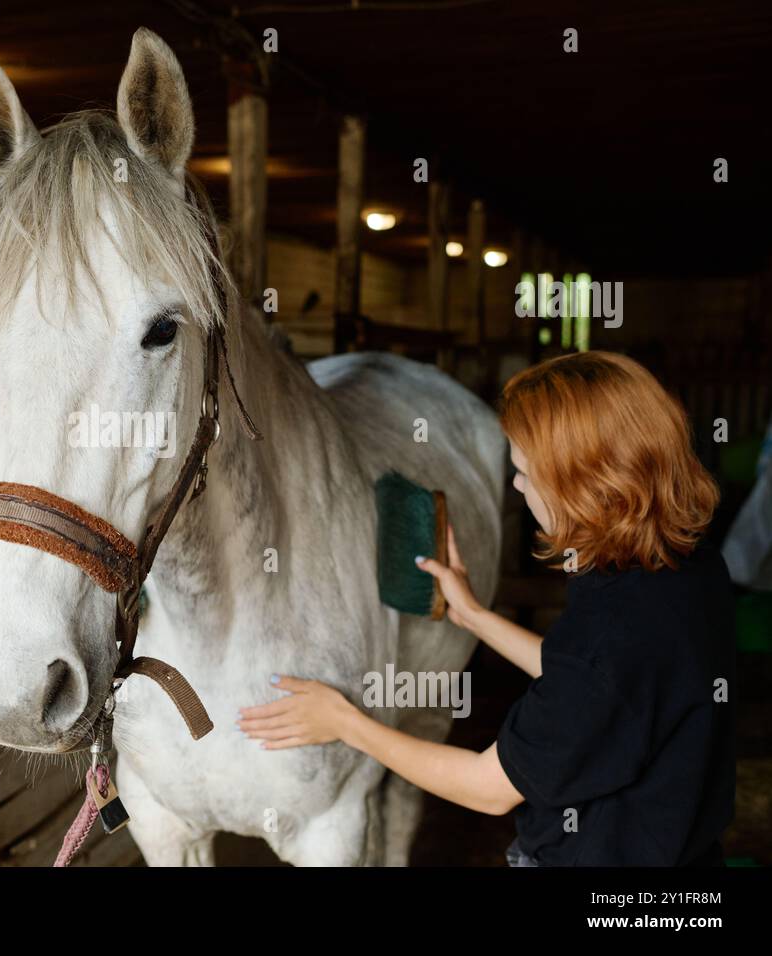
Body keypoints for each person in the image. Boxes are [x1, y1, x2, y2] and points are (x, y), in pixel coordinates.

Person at [239, 350, 736, 866]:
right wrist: (476, 617)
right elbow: (604, 686)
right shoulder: (689, 568)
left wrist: (345, 722)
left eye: (525, 470)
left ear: (583, 483)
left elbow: (488, 787)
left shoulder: (608, 640)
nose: (518, 486)